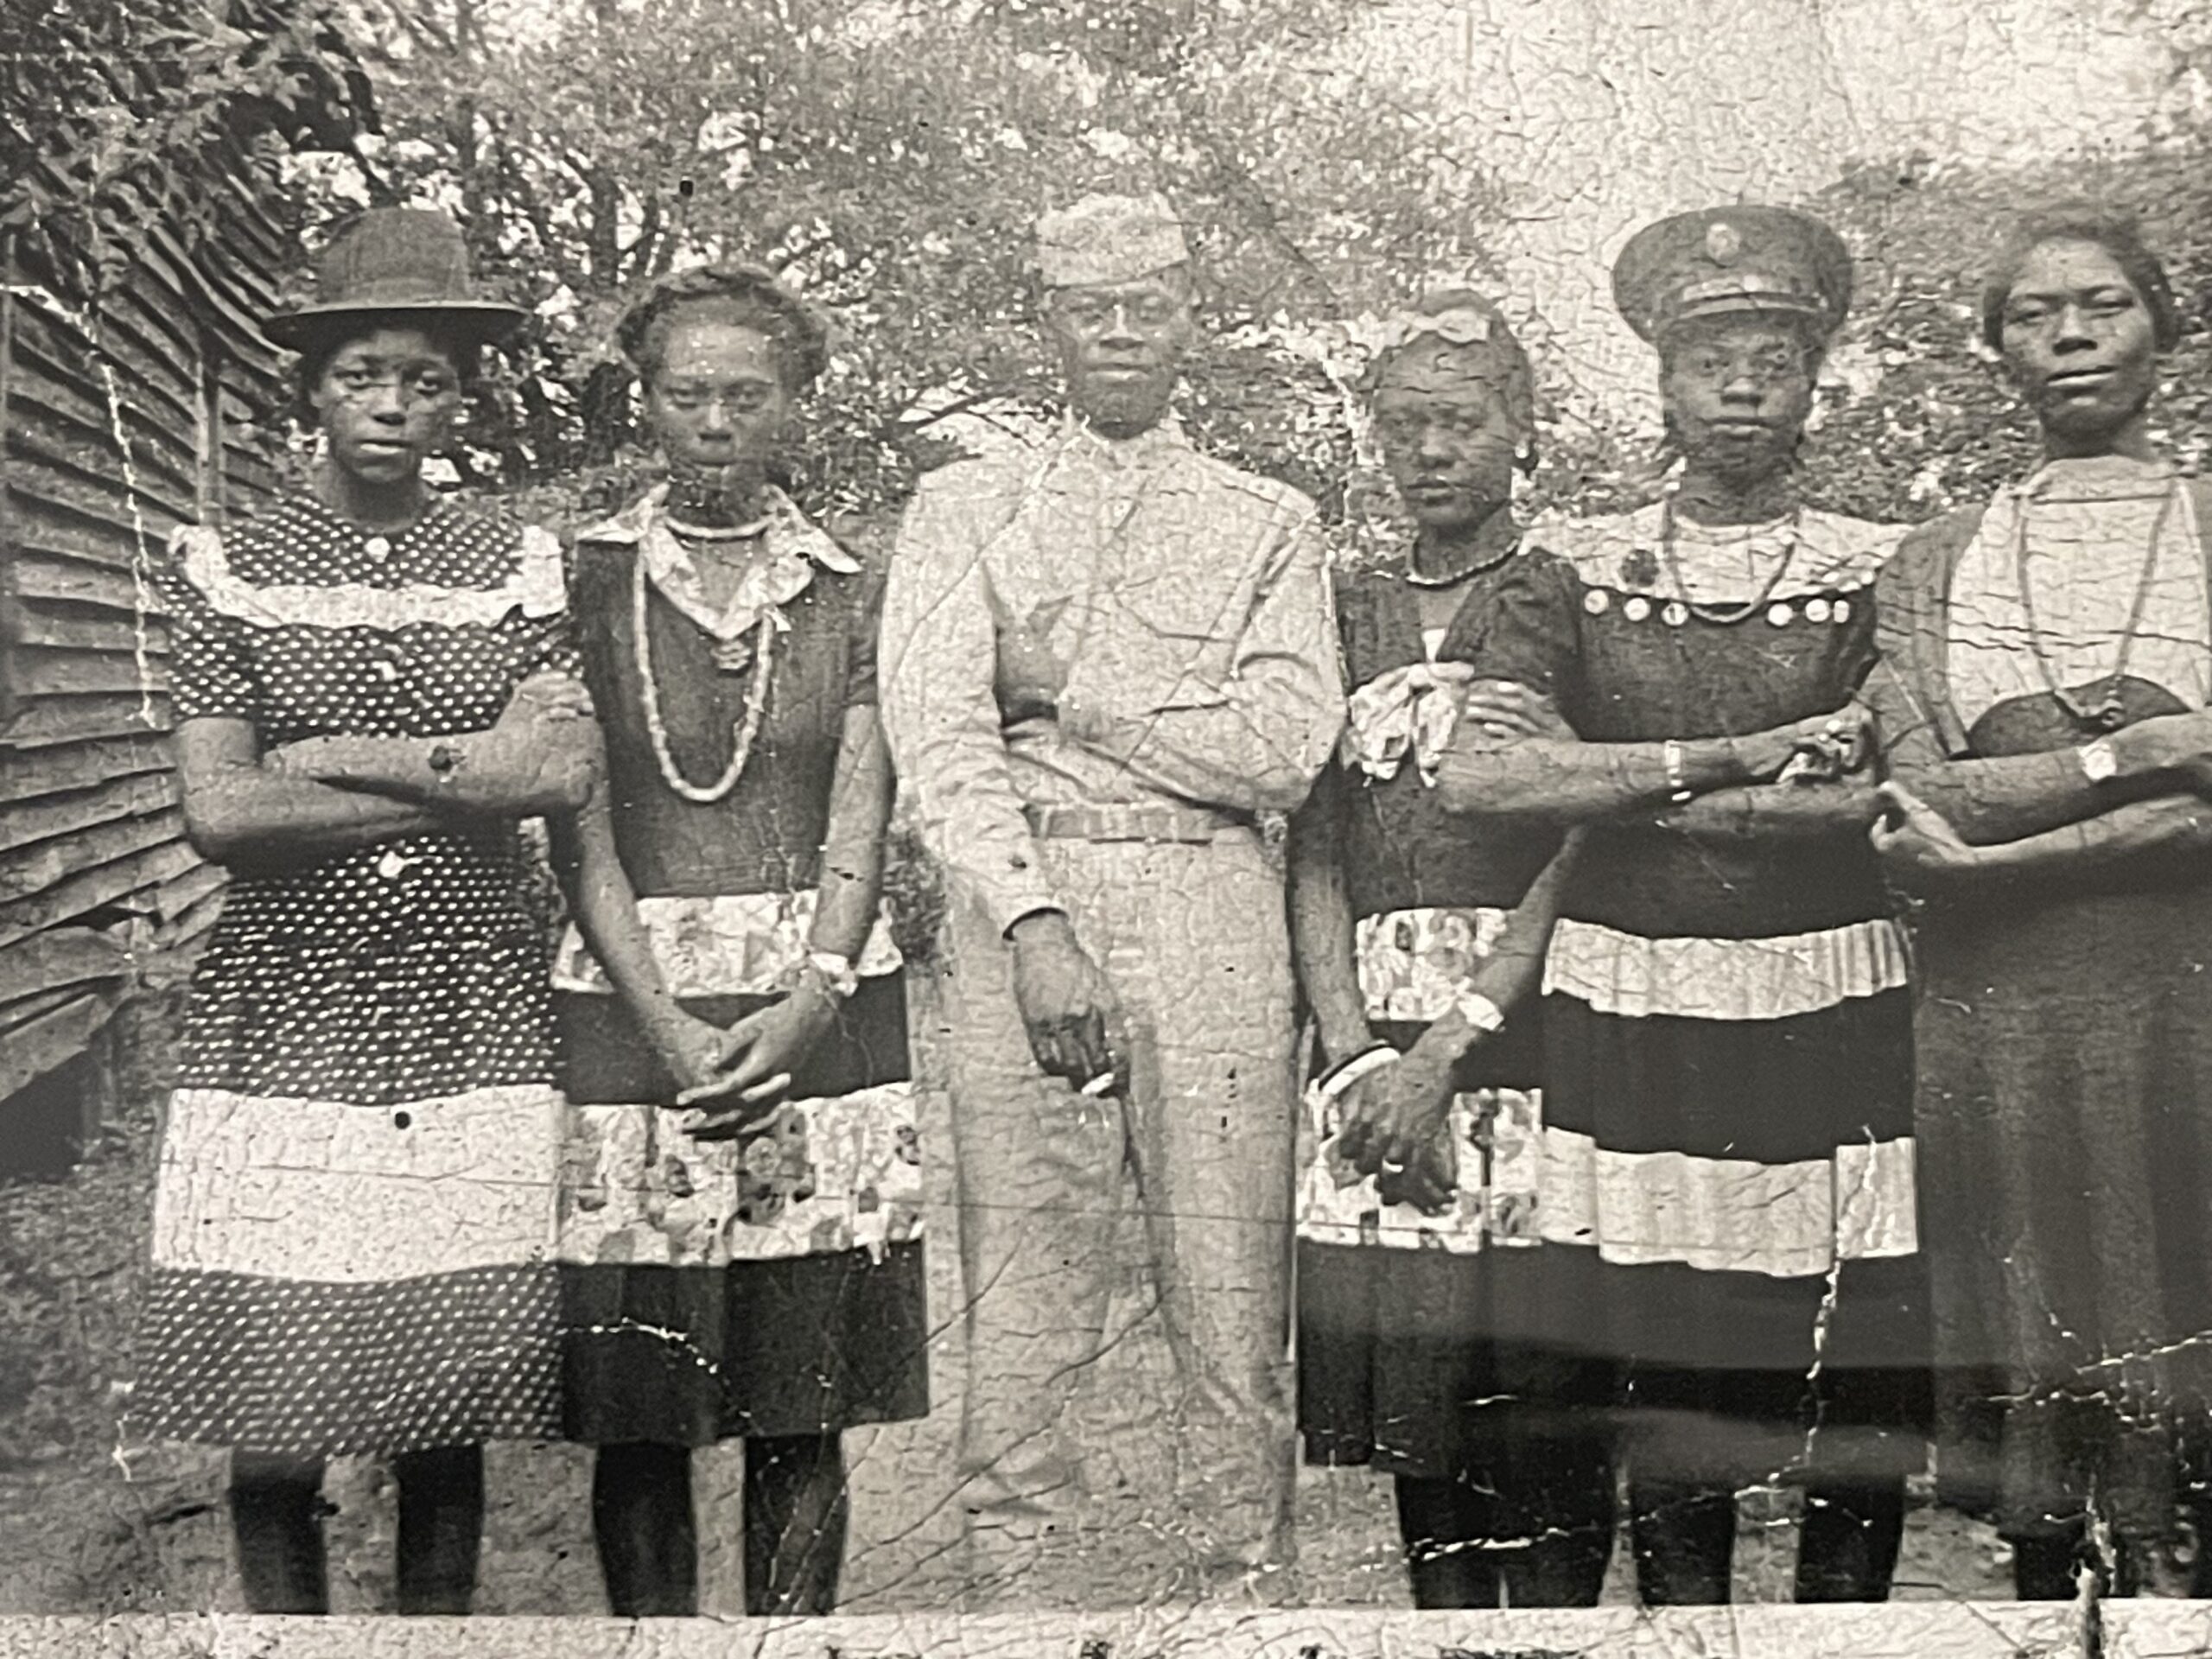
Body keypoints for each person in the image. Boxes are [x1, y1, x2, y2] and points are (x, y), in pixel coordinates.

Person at [1433, 206, 1926, 1605]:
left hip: (1832, 994)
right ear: (1662, 377)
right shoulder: (1576, 565)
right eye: (1715, 358)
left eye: (1777, 354)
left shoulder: (1885, 562)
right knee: (1658, 1349)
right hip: (1632, 996)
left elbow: (1884, 800)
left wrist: (1624, 794)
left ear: (1818, 376)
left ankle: (1843, 1639)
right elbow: (1486, 775)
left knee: (1850, 1360)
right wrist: (1724, 760)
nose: (1746, 385)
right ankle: (1691, 1637)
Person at [129, 207, 616, 1614]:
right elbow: (220, 812)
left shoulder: (513, 562)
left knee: (440, 1394)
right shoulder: (233, 566)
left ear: (462, 393)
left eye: (424, 379)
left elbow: (565, 770)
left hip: (468, 993)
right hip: (289, 1001)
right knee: (271, 1402)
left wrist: (331, 763)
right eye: (362, 375)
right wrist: (473, 782)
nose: (393, 405)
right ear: (313, 387)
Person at [878, 191, 1343, 1605]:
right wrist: (1030, 923)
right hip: (1026, 910)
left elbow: (1281, 748)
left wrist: (1070, 689)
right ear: (1053, 324)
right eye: (1094, 308)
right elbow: (941, 732)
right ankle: (1016, 1609)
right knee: (1025, 1307)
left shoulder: (1267, 519)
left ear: (1191, 319)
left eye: (1151, 303)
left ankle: (1239, 1604)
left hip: (1214, 914)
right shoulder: (969, 504)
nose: (1124, 332)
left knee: (1229, 1313)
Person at [549, 264, 927, 1617]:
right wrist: (662, 1022)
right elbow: (577, 830)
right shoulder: (581, 580)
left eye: (745, 396)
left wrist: (814, 996)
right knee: (640, 1401)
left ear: (795, 407)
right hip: (630, 1001)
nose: (714, 421)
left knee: (799, 1394)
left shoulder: (855, 590)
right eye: (686, 394)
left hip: (817, 1001)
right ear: (646, 405)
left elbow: (861, 811)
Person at [1866, 205, 2212, 1599]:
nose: (2069, 335)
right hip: (2004, 1021)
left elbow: (1985, 825)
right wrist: (2151, 765)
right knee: (2047, 1419)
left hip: (2190, 1002)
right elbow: (1926, 800)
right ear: (1998, 347)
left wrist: (2007, 849)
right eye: (2033, 314)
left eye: (2103, 305)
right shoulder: (1937, 556)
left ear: (2161, 328)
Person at [1287, 290, 1612, 1607]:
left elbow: (1583, 833)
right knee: (1423, 1414)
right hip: (1368, 1027)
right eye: (1406, 425)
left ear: (1520, 434)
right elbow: (1310, 843)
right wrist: (1356, 1052)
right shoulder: (1339, 605)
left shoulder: (1568, 594)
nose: (1432, 451)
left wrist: (1453, 1040)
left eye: (1462, 423)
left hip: (1527, 1017)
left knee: (1540, 1405)